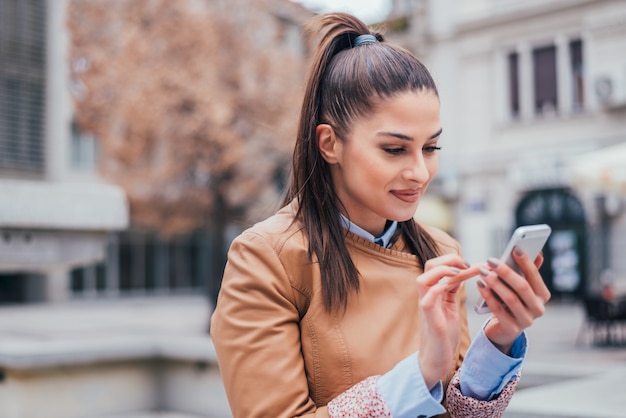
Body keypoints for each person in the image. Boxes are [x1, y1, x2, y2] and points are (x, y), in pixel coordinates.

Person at [210, 12, 550, 418]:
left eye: (431, 148)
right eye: (394, 149)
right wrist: (421, 374)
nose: (420, 173)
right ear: (329, 143)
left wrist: (500, 337)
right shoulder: (265, 258)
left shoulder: (440, 250)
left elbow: (459, 412)